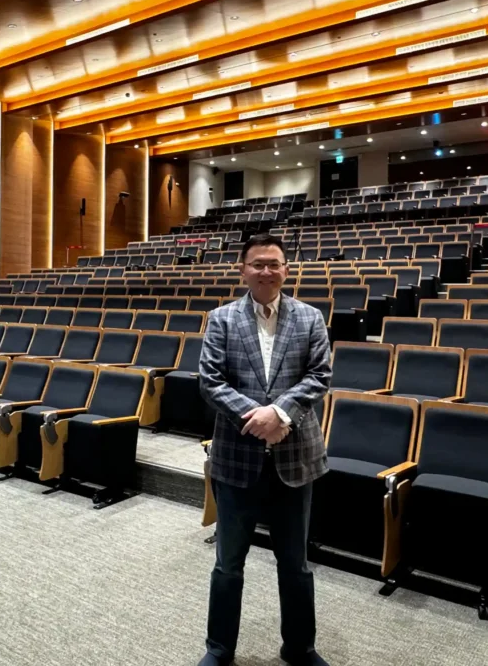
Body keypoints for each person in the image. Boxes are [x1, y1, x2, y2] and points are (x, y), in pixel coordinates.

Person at [197, 233, 332, 666]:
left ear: (286, 269)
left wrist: (280, 414)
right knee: (228, 565)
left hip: (295, 460)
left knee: (296, 565)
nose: (266, 271)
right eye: (258, 263)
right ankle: (219, 649)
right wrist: (258, 420)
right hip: (237, 459)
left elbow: (319, 375)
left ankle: (300, 647)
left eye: (274, 263)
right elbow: (211, 381)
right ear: (243, 269)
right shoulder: (221, 318)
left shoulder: (310, 318)